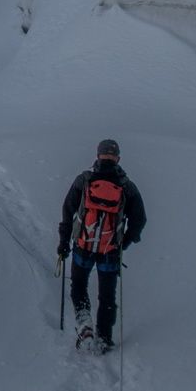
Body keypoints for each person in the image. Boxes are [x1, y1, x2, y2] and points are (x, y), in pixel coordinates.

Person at [56, 138, 146, 352]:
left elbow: (68, 211)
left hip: (83, 246)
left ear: (98, 155)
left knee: (79, 285)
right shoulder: (126, 186)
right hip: (110, 251)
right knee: (107, 296)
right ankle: (104, 339)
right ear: (118, 158)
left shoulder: (85, 180)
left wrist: (64, 242)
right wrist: (123, 242)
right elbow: (139, 220)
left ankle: (85, 324)